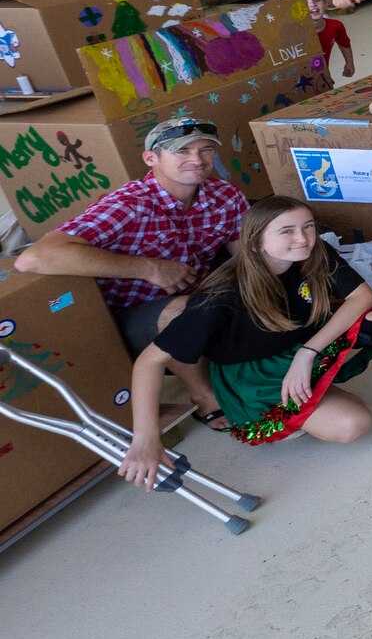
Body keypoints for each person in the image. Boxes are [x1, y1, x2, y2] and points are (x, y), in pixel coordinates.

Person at [119, 197, 372, 483]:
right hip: (256, 381)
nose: (302, 239)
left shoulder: (314, 253)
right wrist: (145, 439)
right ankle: (298, 415)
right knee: (352, 425)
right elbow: (149, 362)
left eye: (308, 226)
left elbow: (362, 297)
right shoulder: (220, 297)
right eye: (286, 231)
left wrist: (307, 353)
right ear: (255, 242)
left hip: (300, 348)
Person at [18, 116, 247, 432]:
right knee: (184, 311)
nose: (197, 160)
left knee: (248, 289)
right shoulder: (130, 203)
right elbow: (33, 258)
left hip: (198, 298)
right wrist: (149, 268)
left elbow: (245, 258)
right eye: (182, 151)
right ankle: (204, 397)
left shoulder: (225, 196)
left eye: (205, 150)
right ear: (151, 158)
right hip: (122, 323)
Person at [304, 0, 355, 80]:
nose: (312, 5)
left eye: (317, 0)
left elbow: (344, 44)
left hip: (322, 78)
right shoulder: (293, 34)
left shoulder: (335, 26)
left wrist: (349, 62)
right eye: (305, 3)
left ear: (326, 4)